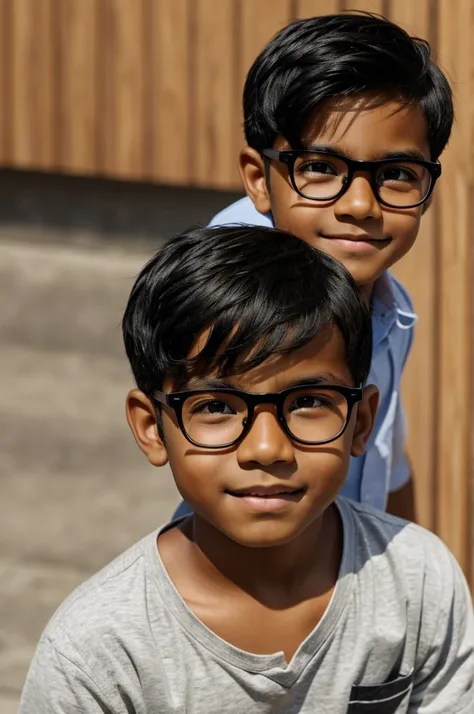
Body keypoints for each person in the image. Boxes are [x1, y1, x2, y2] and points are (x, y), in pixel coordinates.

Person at [20, 226, 474, 712]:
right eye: (215, 407)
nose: (266, 448)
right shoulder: (101, 653)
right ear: (152, 427)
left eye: (308, 402)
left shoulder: (418, 584)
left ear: (361, 421)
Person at [173, 13, 455, 523]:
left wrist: (414, 570)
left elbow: (385, 459)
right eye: (322, 168)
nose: (361, 206)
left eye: (396, 174)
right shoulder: (231, 305)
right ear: (259, 179)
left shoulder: (389, 305)